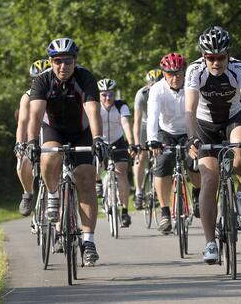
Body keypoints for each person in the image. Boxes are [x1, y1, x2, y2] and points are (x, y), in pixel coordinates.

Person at [185, 26, 241, 264]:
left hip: (233, 118)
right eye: (211, 57)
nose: (216, 62)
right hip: (205, 125)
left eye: (221, 57)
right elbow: (189, 109)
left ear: (228, 55)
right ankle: (210, 243)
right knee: (210, 179)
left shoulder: (239, 69)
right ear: (203, 56)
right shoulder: (194, 70)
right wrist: (191, 138)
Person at [26, 37, 107, 266]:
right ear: (51, 61)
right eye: (58, 61)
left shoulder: (85, 77)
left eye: (68, 61)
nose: (63, 66)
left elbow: (93, 111)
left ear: (75, 61)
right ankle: (53, 195)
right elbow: (34, 115)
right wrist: (32, 141)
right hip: (53, 130)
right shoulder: (42, 81)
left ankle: (89, 241)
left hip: (81, 132)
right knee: (49, 155)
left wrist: (98, 138)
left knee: (86, 179)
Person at [147, 53, 201, 234]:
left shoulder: (192, 86)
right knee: (162, 163)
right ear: (163, 73)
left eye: (179, 73)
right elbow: (153, 116)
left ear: (184, 72)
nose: (175, 78)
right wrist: (152, 140)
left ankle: (198, 193)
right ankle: (164, 211)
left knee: (195, 162)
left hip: (189, 131)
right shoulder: (157, 89)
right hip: (166, 132)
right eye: (170, 74)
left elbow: (199, 111)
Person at [96, 78, 137, 228]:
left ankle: (125, 211)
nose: (108, 98)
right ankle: (98, 182)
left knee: (121, 173)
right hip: (100, 141)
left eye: (111, 95)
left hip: (118, 141)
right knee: (94, 164)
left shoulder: (121, 106)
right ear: (99, 95)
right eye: (104, 95)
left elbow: (126, 124)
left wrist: (131, 143)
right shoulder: (94, 106)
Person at [14, 59, 51, 216]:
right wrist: (19, 144)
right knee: (23, 161)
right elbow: (22, 122)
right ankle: (28, 193)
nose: (40, 81)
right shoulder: (27, 97)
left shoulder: (57, 92)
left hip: (51, 134)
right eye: (36, 78)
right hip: (33, 134)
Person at [133, 69, 163, 209]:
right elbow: (137, 121)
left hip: (162, 124)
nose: (154, 86)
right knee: (141, 157)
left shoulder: (165, 91)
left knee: (161, 157)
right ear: (147, 84)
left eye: (157, 83)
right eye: (152, 84)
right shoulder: (141, 94)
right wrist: (136, 143)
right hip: (145, 124)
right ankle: (139, 191)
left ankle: (157, 190)